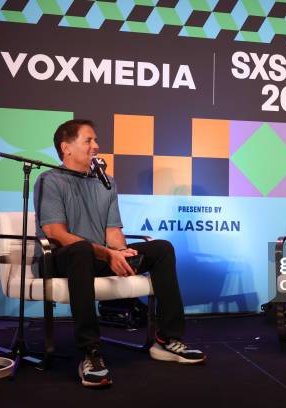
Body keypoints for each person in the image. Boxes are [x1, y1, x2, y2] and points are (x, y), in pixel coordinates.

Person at [33, 119, 205, 387]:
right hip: (59, 258)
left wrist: (121, 251)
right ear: (66, 148)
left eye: (95, 140)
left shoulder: (106, 182)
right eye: (88, 140)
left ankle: (167, 339)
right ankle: (90, 352)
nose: (96, 146)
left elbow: (113, 232)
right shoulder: (49, 180)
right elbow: (56, 233)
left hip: (97, 257)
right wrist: (106, 254)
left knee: (161, 248)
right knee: (79, 250)